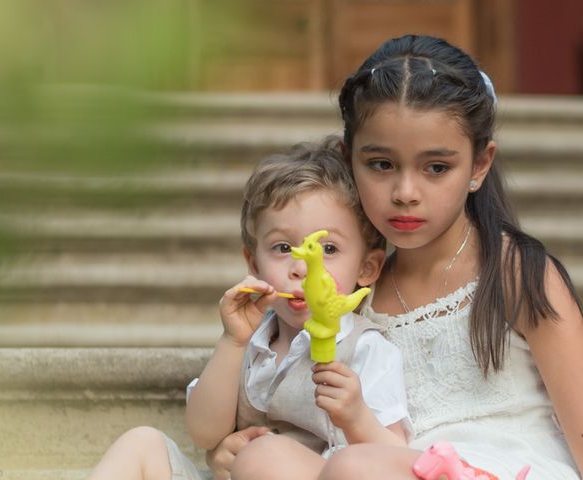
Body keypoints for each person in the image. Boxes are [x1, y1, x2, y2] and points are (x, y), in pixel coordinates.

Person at [209, 34, 583, 480]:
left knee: (354, 467)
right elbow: (314, 415)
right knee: (268, 460)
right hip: (373, 465)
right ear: (350, 160)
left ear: (479, 166)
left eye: (436, 168)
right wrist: (237, 446)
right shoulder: (345, 283)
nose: (406, 193)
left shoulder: (515, 273)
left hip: (502, 469)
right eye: (382, 165)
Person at [87, 137, 412, 480]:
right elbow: (204, 433)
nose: (300, 268)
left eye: (327, 248)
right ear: (253, 263)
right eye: (283, 247)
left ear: (367, 268)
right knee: (142, 443)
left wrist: (357, 415)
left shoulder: (366, 348)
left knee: (267, 456)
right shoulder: (250, 339)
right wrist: (233, 343)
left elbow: (397, 459)